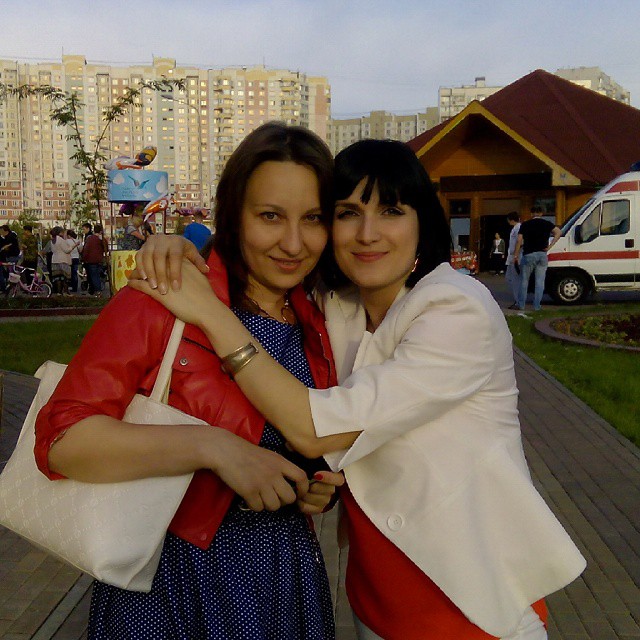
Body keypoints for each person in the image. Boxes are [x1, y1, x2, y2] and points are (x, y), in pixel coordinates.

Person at [134, 139, 586, 640]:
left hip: (473, 609)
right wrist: (176, 246)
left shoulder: (458, 309)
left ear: (423, 222)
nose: (368, 234)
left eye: (391, 211)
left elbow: (314, 430)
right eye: (348, 213)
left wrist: (210, 315)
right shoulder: (339, 305)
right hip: (376, 605)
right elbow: (260, 252)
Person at [34, 123, 344, 640]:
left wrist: (316, 489)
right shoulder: (168, 293)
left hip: (284, 575)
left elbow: (310, 437)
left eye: (313, 218)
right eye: (270, 216)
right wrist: (212, 447)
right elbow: (61, 441)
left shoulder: (320, 320)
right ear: (234, 214)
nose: (294, 243)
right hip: (170, 579)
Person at [514, 206, 562, 312]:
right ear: (541, 213)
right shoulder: (547, 224)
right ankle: (537, 306)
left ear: (531, 214)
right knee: (540, 281)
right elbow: (558, 232)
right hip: (542, 254)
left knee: (524, 280)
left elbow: (519, 240)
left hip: (529, 254)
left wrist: (516, 255)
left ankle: (521, 305)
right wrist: (550, 246)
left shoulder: (525, 224)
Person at [49, 227, 77, 295]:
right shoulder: (61, 240)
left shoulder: (52, 240)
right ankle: (66, 292)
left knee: (58, 278)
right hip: (63, 260)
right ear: (60, 232)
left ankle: (59, 292)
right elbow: (67, 250)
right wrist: (74, 246)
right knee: (65, 277)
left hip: (55, 260)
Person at [81, 222, 106, 296]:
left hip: (91, 260)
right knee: (97, 276)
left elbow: (86, 250)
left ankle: (97, 291)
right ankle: (97, 290)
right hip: (99, 260)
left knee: (94, 276)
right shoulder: (102, 239)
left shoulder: (90, 238)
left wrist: (83, 259)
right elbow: (106, 249)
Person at [505, 212, 522, 309]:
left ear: (510, 220)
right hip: (512, 256)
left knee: (516, 279)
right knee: (509, 278)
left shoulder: (518, 228)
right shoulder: (515, 229)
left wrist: (516, 255)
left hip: (516, 256)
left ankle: (518, 301)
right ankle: (518, 299)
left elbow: (520, 242)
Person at [0, 224, 21, 292]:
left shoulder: (11, 236)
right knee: (9, 271)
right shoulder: (6, 237)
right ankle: (12, 284)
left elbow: (11, 245)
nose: (1, 232)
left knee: (11, 272)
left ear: (5, 230)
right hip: (10, 256)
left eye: (1, 231)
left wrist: (5, 247)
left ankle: (13, 286)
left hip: (13, 256)